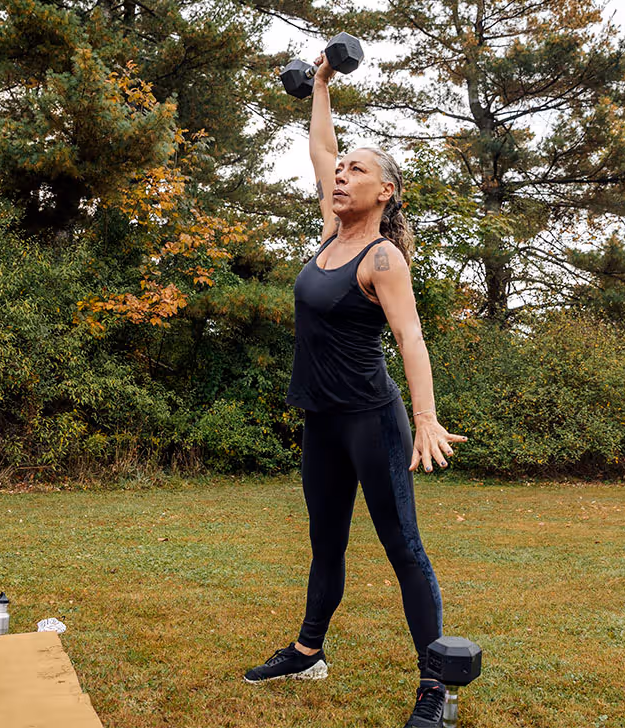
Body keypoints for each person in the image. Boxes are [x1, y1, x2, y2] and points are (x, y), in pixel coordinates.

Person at [243, 51, 469, 728]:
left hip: (373, 420)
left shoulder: (381, 257)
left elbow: (412, 339)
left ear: (386, 192)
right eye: (340, 172)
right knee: (325, 543)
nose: (341, 176)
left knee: (404, 548)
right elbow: (320, 144)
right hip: (321, 420)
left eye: (357, 171)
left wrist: (425, 417)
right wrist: (319, 87)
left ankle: (437, 686)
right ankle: (308, 652)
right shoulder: (327, 236)